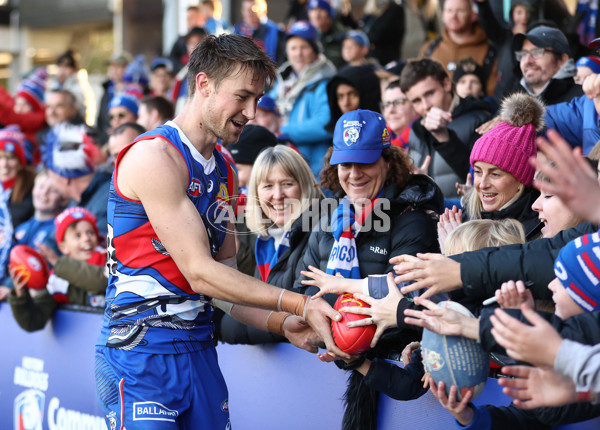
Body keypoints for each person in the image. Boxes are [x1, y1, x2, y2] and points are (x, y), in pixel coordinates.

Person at [94, 34, 345, 430]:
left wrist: (281, 324)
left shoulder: (225, 168)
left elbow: (223, 286)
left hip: (200, 351)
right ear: (204, 84)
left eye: (258, 100)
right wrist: (299, 304)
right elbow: (200, 271)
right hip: (140, 351)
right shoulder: (154, 156)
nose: (252, 112)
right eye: (242, 96)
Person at [295, 109, 443, 430]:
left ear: (387, 162)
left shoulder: (412, 219)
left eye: (365, 162)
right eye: (346, 164)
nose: (354, 174)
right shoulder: (328, 218)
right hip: (327, 373)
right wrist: (326, 331)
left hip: (391, 376)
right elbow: (304, 290)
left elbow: (406, 301)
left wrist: (352, 347)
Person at [219, 144, 324, 344]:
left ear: (305, 186)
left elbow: (300, 322)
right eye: (267, 186)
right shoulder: (266, 239)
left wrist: (242, 320)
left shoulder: (319, 233)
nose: (277, 195)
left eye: (287, 184)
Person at [400, 58, 491, 199]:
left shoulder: (480, 120)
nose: (425, 106)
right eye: (416, 100)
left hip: (467, 215)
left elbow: (485, 179)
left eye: (430, 93)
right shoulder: (416, 129)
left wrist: (444, 139)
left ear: (447, 84)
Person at [7, 206, 107, 332]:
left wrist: (58, 262)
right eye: (77, 235)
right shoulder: (56, 279)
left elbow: (101, 282)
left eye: (90, 233)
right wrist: (21, 294)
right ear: (63, 247)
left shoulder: (110, 261)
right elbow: (33, 322)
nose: (86, 238)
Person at [461, 92, 543, 239]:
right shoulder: (465, 216)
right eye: (478, 172)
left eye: (495, 174)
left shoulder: (540, 227)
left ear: (520, 180)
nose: (482, 184)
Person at [271, 20, 336, 177]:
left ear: (315, 50)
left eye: (304, 47)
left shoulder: (326, 83)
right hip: (284, 166)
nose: (298, 54)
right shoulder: (283, 81)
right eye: (293, 48)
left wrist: (283, 130)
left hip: (314, 171)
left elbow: (325, 125)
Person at [420, 0, 498, 96]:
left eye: (460, 10)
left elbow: (492, 95)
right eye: (449, 10)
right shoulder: (430, 48)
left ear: (474, 15)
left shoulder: (489, 51)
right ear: (443, 15)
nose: (453, 16)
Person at [44, 123, 109, 237]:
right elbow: (54, 238)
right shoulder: (77, 200)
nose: (51, 184)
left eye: (51, 177)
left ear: (64, 178)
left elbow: (97, 249)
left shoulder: (107, 197)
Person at [509, 25, 583, 106]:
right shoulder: (511, 102)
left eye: (536, 52)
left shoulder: (581, 100)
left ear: (562, 60)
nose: (527, 60)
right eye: (523, 54)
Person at [324, 65, 381, 134]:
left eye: (352, 95)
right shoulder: (337, 135)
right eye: (340, 97)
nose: (346, 103)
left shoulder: (385, 134)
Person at [306, 0, 348, 68]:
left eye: (321, 10)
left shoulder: (344, 36)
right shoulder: (306, 37)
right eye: (313, 10)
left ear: (330, 13)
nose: (316, 15)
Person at [381, 79, 418, 149]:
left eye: (399, 102)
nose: (391, 110)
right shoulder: (378, 143)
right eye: (387, 104)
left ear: (414, 103)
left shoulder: (427, 138)